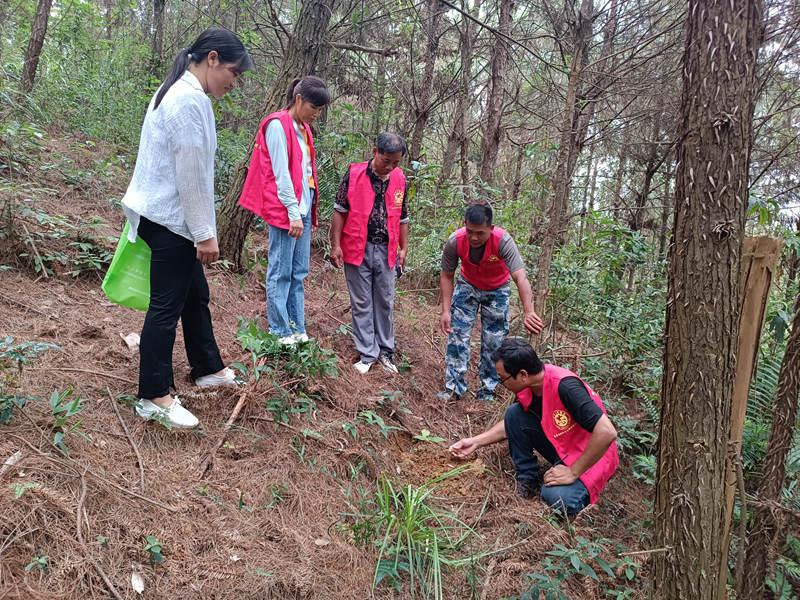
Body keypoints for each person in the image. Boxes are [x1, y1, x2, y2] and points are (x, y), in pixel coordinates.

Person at [121, 28, 253, 428]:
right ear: (212, 59)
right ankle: (153, 395)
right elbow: (191, 172)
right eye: (233, 71)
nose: (234, 81)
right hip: (170, 219)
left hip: (162, 215)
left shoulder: (176, 91)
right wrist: (204, 232)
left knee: (195, 295)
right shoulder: (188, 101)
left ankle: (207, 366)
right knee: (166, 306)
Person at [449, 338, 618, 516]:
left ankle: (579, 492)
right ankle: (527, 479)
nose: (502, 384)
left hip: (593, 453)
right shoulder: (530, 386)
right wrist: (475, 442)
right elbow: (513, 424)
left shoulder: (566, 386)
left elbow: (607, 432)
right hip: (564, 443)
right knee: (514, 413)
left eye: (503, 379)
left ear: (522, 374)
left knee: (558, 499)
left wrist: (573, 472)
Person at [239, 76, 331, 345]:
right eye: (314, 107)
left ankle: (297, 326)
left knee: (299, 270)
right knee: (280, 269)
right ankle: (279, 330)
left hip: (303, 203)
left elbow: (304, 173)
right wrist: (292, 211)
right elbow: (280, 174)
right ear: (299, 99)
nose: (316, 114)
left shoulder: (303, 128)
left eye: (320, 110)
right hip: (286, 208)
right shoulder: (278, 125)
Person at [438, 204, 543, 402]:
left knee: (494, 343)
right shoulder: (455, 241)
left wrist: (529, 311)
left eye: (480, 233)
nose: (474, 238)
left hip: (497, 290)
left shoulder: (503, 241)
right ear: (464, 225)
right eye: (470, 231)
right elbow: (446, 275)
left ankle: (487, 390)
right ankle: (454, 388)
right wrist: (445, 311)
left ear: (491, 228)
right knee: (457, 336)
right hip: (467, 285)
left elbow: (520, 277)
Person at [329, 133, 409, 375]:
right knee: (361, 301)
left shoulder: (399, 178)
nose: (391, 167)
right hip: (356, 247)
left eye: (396, 162)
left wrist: (404, 248)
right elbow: (339, 211)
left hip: (387, 249)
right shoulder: (354, 174)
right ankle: (367, 353)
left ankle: (386, 351)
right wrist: (335, 245)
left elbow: (403, 216)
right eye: (387, 161)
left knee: (385, 301)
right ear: (375, 152)